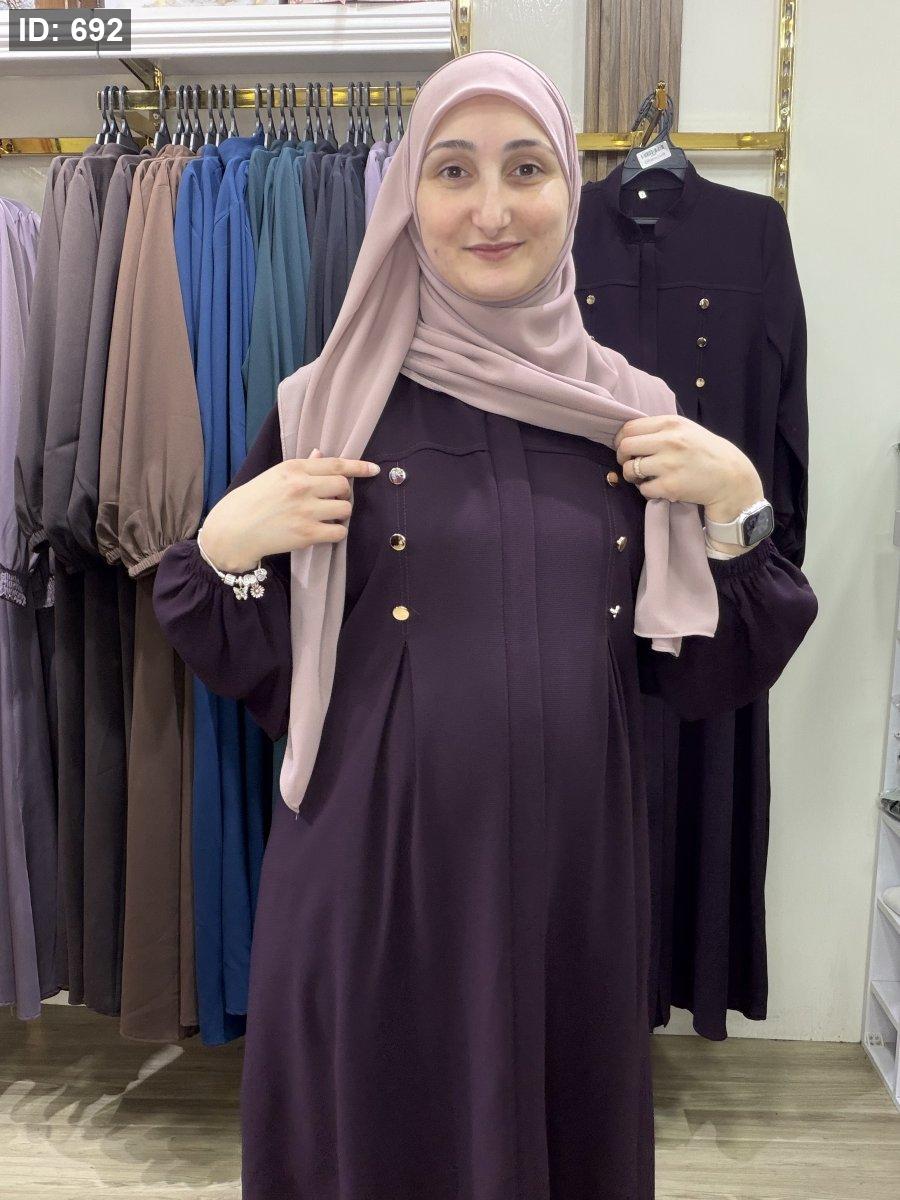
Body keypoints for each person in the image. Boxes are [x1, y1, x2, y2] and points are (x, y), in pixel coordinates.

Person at [152, 50, 818, 1200]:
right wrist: (222, 547)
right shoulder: (327, 404)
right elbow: (255, 669)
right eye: (454, 170)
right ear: (406, 195)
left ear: (569, 189)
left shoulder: (635, 419)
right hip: (377, 894)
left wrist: (737, 508)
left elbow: (705, 679)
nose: (493, 209)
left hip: (572, 897)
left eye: (526, 168)